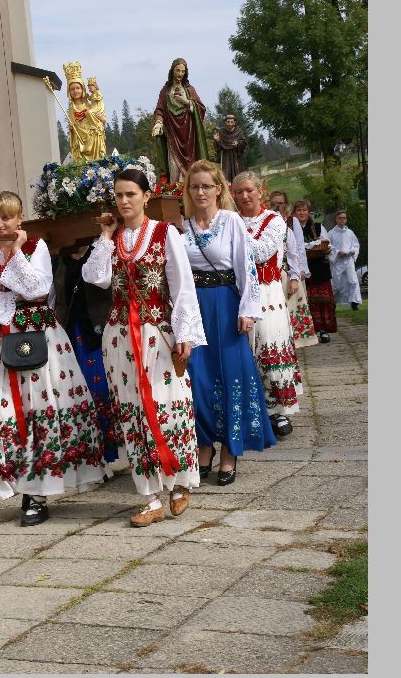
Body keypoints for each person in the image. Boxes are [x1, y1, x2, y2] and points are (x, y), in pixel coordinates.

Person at [0, 191, 106, 526]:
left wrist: (16, 253)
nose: (1, 223)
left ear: (20, 218)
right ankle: (20, 484)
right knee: (3, 411)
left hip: (39, 337)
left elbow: (38, 290)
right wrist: (8, 307)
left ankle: (37, 494)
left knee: (41, 408)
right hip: (0, 339)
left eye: (7, 217)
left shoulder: (35, 247)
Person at [82, 167, 206, 527]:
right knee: (132, 412)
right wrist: (105, 236)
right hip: (119, 337)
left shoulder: (165, 233)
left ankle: (180, 483)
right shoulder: (114, 239)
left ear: (146, 196)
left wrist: (185, 334)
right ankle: (150, 497)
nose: (124, 201)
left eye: (130, 194)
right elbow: (95, 278)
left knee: (169, 405)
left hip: (156, 332)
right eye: (118, 195)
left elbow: (183, 287)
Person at [182, 160, 276, 486]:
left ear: (218, 189)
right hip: (195, 307)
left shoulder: (231, 220)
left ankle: (230, 450)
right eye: (195, 186)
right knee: (199, 378)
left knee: (229, 373)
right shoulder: (183, 226)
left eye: (206, 186)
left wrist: (247, 309)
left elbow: (245, 266)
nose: (200, 192)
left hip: (225, 303)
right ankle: (204, 445)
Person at [231, 172, 303, 438]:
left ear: (260, 191)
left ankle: (278, 410)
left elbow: (262, 252)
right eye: (239, 192)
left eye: (249, 190)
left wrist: (233, 233)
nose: (244, 196)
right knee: (243, 349)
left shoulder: (274, 220)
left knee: (269, 342)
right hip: (237, 292)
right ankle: (251, 409)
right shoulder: (231, 219)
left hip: (267, 293)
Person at [57, 244, 119, 470]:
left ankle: (111, 453)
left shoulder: (101, 249)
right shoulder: (59, 257)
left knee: (102, 389)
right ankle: (90, 455)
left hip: (98, 332)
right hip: (71, 334)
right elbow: (55, 298)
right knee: (78, 394)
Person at [151, 58, 208, 182]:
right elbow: (160, 109)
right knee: (173, 165)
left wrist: (187, 102)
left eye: (183, 71)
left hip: (189, 135)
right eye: (178, 70)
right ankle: (175, 188)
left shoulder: (189, 89)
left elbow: (201, 108)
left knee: (191, 164)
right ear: (172, 71)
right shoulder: (165, 91)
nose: (180, 74)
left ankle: (190, 187)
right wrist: (159, 122)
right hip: (173, 133)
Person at [277, 192, 320, 349]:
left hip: (290, 269)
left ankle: (296, 339)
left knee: (294, 303)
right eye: (274, 202)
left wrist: (301, 270)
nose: (278, 206)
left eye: (281, 202)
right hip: (275, 271)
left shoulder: (291, 221)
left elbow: (298, 247)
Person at [293, 199, 337, 343]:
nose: (302, 213)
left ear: (309, 212)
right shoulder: (291, 228)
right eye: (299, 210)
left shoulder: (318, 227)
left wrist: (327, 249)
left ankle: (323, 330)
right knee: (305, 300)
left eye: (304, 210)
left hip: (319, 268)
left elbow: (326, 243)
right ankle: (308, 332)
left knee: (323, 301)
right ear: (294, 212)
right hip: (301, 269)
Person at [64, 61, 106, 162]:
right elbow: (72, 127)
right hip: (80, 144)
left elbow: (102, 120)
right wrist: (71, 127)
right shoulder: (72, 109)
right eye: (72, 89)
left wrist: (102, 120)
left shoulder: (90, 105)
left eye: (78, 88)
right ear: (69, 92)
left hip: (95, 142)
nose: (75, 91)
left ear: (82, 89)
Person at [328, 210, 362, 310]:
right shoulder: (331, 233)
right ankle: (332, 301)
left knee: (353, 281)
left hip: (348, 260)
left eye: (344, 218)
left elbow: (356, 245)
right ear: (336, 219)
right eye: (340, 218)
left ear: (346, 220)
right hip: (337, 261)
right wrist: (337, 252)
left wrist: (351, 252)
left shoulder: (350, 233)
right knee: (336, 284)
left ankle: (355, 302)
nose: (342, 220)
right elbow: (328, 246)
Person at [214, 114, 247, 182]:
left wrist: (238, 143)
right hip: (226, 156)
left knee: (238, 173)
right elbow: (218, 148)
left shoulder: (238, 131)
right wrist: (217, 141)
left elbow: (243, 142)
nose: (230, 124)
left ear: (234, 122)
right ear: (225, 122)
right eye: (228, 122)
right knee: (226, 173)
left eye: (231, 122)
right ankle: (227, 187)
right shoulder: (221, 132)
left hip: (236, 155)